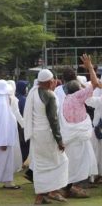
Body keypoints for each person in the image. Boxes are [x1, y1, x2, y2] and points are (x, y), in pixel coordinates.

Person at [24, 69, 68, 204]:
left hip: (37, 135)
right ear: (50, 82)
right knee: (62, 162)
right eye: (53, 80)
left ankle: (40, 196)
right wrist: (59, 140)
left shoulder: (33, 92)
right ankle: (53, 192)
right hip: (48, 135)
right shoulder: (50, 96)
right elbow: (53, 120)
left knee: (40, 165)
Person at [59, 54, 99, 198]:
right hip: (78, 137)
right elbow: (94, 83)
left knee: (73, 164)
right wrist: (90, 68)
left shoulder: (65, 99)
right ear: (79, 91)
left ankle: (69, 187)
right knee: (79, 164)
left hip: (70, 137)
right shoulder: (78, 97)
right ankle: (71, 188)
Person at [0, 80, 20, 190]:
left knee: (7, 162)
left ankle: (7, 181)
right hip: (2, 140)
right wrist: (3, 141)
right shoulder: (1, 104)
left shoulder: (0, 102)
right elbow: (2, 123)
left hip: (6, 138)